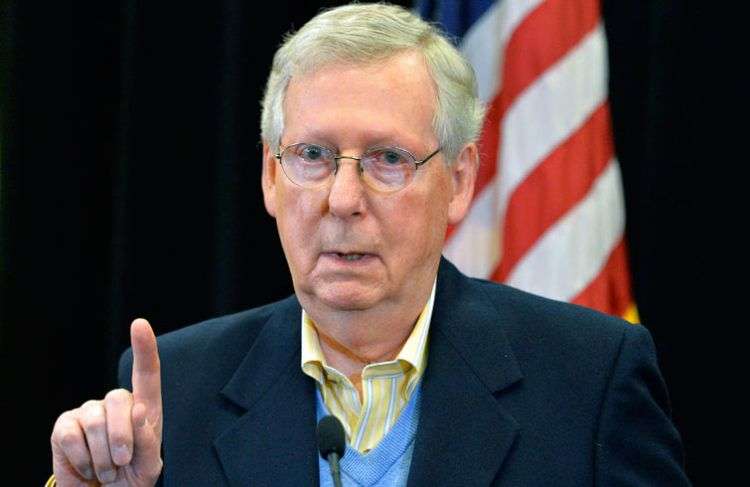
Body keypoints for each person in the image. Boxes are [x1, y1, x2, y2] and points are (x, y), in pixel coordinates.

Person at [48, 3, 689, 486]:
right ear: (270, 176)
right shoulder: (174, 391)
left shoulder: (589, 381)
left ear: (459, 181)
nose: (343, 198)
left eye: (387, 159)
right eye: (312, 156)